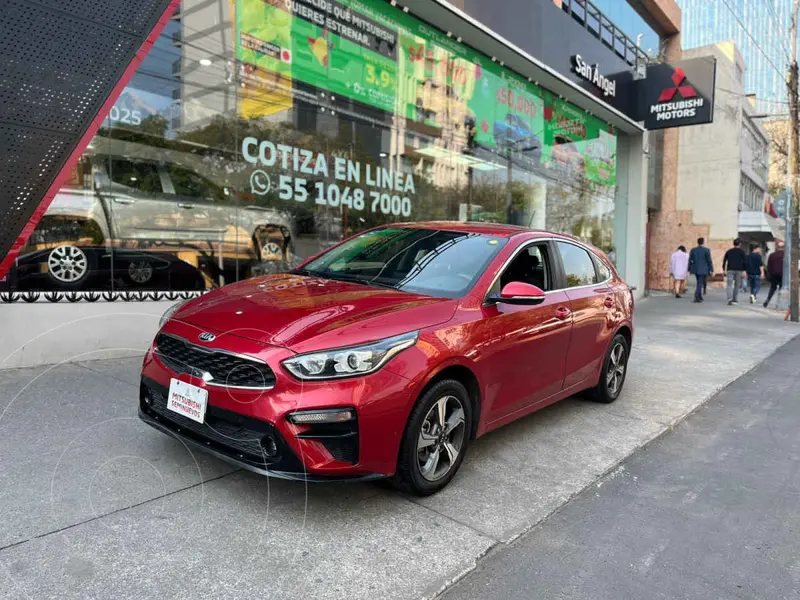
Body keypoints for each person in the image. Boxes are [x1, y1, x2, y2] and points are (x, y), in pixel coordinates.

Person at [722, 238, 747, 305]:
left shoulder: (729, 251)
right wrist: (744, 270)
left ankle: (729, 299)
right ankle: (735, 299)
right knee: (736, 285)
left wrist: (723, 269)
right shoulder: (742, 252)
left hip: (730, 270)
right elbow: (745, 262)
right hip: (739, 270)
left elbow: (724, 260)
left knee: (729, 285)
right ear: (740, 244)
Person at [688, 237, 713, 303]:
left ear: (698, 242)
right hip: (703, 269)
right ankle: (696, 295)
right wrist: (711, 269)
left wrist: (689, 269)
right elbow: (709, 260)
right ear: (703, 242)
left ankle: (699, 296)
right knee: (700, 283)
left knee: (699, 282)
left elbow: (690, 260)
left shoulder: (693, 250)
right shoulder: (706, 250)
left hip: (695, 268)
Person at [763, 242, 785, 308]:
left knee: (772, 288)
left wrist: (769, 274)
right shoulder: (785, 255)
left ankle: (768, 299)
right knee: (782, 288)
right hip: (782, 274)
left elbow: (769, 266)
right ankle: (779, 303)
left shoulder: (772, 255)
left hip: (774, 274)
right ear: (783, 247)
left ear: (777, 247)